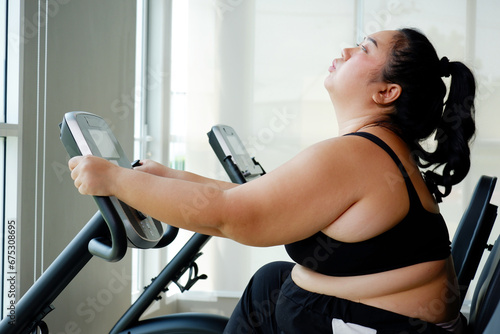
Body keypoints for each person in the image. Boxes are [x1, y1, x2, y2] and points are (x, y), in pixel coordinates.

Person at [69, 28, 476, 333]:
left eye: (364, 48)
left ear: (387, 92)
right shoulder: (376, 150)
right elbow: (254, 200)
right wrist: (169, 176)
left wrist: (114, 180)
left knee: (276, 283)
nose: (348, 50)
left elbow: (235, 216)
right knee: (272, 281)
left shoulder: (358, 155)